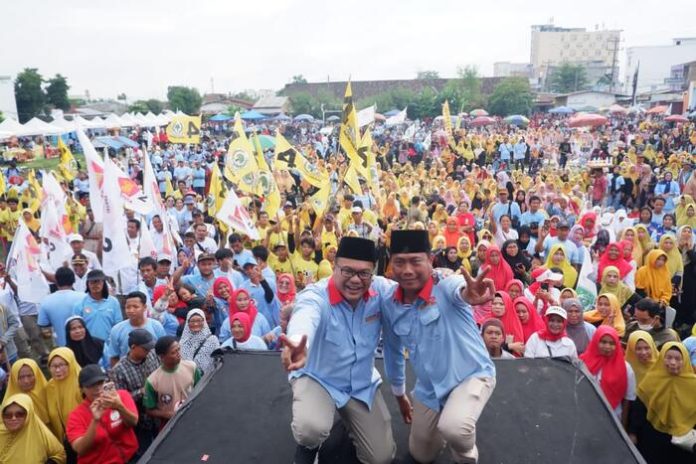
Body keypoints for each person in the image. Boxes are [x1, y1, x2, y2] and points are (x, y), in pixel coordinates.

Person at [380, 230, 496, 464]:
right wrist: (400, 394)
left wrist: (468, 292)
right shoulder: (390, 303)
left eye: (415, 261)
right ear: (390, 264)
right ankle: (451, 419)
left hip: (470, 376)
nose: (407, 270)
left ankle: (466, 456)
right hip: (429, 388)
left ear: (431, 260)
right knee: (420, 455)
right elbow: (392, 351)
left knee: (455, 428)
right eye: (399, 262)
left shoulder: (445, 284)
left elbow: (460, 290)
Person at [278, 236, 396, 464]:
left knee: (381, 458)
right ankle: (310, 448)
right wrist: (297, 341)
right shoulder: (315, 295)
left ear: (373, 272)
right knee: (310, 429)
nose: (355, 280)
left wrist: (453, 286)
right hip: (319, 378)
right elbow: (305, 315)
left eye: (364, 273)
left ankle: (346, 422)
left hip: (359, 383)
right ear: (334, 267)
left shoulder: (380, 289)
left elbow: (410, 290)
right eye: (348, 271)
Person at [629, 342, 696, 463]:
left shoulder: (693, 385)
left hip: (683, 443)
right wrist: (633, 432)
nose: (673, 362)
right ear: (661, 358)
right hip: (654, 440)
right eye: (668, 357)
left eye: (677, 359)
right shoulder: (651, 380)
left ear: (685, 360)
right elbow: (639, 409)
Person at [66, 364, 139, 464]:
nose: (97, 388)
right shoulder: (76, 416)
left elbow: (133, 422)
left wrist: (120, 407)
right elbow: (80, 449)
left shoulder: (121, 396)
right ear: (82, 389)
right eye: (91, 385)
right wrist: (95, 421)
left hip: (132, 457)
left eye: (100, 383)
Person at [110, 329, 160, 458]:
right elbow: (120, 400)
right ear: (133, 347)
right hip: (139, 421)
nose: (148, 351)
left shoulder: (152, 355)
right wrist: (142, 392)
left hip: (158, 414)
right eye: (145, 349)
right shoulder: (119, 370)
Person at [580, 326, 636, 423]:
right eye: (603, 342)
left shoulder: (625, 368)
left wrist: (623, 425)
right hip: (586, 414)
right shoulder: (582, 363)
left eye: (612, 343)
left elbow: (628, 399)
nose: (607, 347)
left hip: (613, 417)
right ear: (595, 341)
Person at [143, 336, 201, 428]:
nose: (179, 354)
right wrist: (168, 414)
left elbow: (200, 390)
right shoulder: (153, 381)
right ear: (162, 356)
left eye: (179, 349)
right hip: (169, 426)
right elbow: (149, 410)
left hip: (194, 419)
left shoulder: (191, 367)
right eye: (174, 352)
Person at [0, 393, 66, 464]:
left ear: (29, 414)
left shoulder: (41, 434)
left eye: (20, 414)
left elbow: (60, 454)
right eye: (8, 415)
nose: (13, 418)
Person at [104, 291, 166, 365]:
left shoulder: (156, 326)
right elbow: (114, 357)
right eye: (128, 307)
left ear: (145, 307)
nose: (131, 310)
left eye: (135, 307)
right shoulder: (116, 330)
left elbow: (164, 351)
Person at [45, 347, 83, 452]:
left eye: (62, 365)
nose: (57, 370)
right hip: (64, 442)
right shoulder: (50, 386)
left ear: (70, 363)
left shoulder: (81, 384)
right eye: (53, 366)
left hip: (83, 439)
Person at [38, 267, 86, 347]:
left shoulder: (46, 301)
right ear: (73, 280)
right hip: (85, 344)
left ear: (56, 281)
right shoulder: (85, 298)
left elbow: (44, 325)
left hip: (63, 348)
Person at [72, 270, 123, 342]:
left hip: (109, 346)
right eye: (92, 282)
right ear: (87, 284)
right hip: (88, 346)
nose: (95, 285)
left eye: (98, 281)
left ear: (103, 283)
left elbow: (118, 326)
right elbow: (76, 328)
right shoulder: (79, 304)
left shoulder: (113, 302)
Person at [3, 358, 50, 424]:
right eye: (21, 377)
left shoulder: (50, 393)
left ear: (36, 375)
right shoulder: (9, 405)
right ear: (14, 379)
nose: (26, 381)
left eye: (29, 376)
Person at [179, 309, 220, 374]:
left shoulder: (212, 340)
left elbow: (217, 361)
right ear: (187, 322)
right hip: (188, 379)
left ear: (204, 321)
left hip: (206, 379)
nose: (195, 324)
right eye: (192, 321)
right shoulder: (183, 341)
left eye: (199, 320)